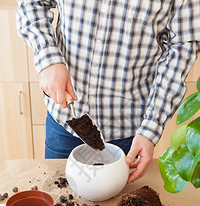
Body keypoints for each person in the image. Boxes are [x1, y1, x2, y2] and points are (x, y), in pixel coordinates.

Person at [16, 0, 200, 183]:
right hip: (65, 124)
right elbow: (32, 3)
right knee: (58, 203)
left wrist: (151, 129)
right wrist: (47, 58)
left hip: (131, 136)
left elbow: (181, 50)